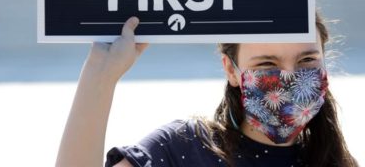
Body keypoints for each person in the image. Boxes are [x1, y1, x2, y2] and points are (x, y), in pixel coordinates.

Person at [55, 13, 358, 167]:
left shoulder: (336, 161)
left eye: (307, 60)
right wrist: (100, 76)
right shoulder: (182, 149)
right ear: (231, 70)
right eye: (267, 64)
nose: (289, 78)